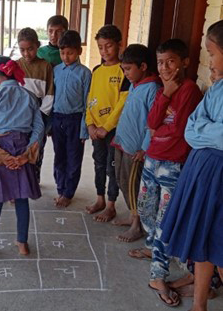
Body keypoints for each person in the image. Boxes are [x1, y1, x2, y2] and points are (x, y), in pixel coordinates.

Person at [132, 38, 203, 307]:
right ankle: (153, 251)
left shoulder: (190, 90)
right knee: (146, 211)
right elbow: (151, 123)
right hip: (152, 160)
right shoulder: (165, 89)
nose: (164, 68)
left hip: (173, 165)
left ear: (184, 62)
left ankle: (158, 275)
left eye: (170, 62)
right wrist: (165, 95)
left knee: (164, 221)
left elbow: (178, 130)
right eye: (160, 62)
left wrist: (159, 128)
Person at [160, 20, 223, 311]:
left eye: (212, 53)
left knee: (220, 245)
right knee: (202, 241)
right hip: (203, 172)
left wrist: (206, 132)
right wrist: (208, 132)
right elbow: (192, 128)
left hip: (218, 177)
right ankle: (199, 305)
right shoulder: (216, 88)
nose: (209, 61)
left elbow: (205, 131)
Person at [0, 57, 44, 258]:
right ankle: (22, 243)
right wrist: (26, 154)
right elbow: (39, 127)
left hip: (0, 147)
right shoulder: (29, 95)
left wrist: (0, 154)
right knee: (21, 198)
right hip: (22, 147)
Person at [112, 44, 161, 242]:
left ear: (142, 66)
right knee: (121, 180)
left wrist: (145, 147)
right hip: (123, 143)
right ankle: (133, 215)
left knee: (134, 185)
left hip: (136, 150)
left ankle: (137, 224)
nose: (126, 74)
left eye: (128, 69)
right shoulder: (134, 85)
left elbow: (153, 122)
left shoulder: (153, 88)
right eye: (123, 69)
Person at [85, 25, 129, 222]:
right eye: (100, 47)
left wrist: (107, 127)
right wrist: (90, 125)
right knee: (99, 164)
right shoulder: (96, 70)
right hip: (96, 131)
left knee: (112, 167)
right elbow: (91, 99)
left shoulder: (124, 71)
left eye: (108, 46)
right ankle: (100, 199)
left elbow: (122, 103)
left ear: (120, 45)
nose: (104, 51)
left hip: (113, 131)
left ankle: (111, 205)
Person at [51, 30, 91, 208]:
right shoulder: (56, 70)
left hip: (75, 120)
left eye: (70, 53)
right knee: (59, 156)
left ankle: (68, 192)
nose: (66, 57)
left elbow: (87, 102)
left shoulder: (85, 73)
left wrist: (84, 128)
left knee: (73, 158)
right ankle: (60, 188)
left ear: (79, 52)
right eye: (62, 53)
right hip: (57, 119)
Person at [17, 27, 54, 182]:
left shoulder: (46, 66)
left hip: (39, 115)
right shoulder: (15, 66)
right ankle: (19, 181)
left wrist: (39, 116)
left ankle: (33, 181)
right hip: (19, 116)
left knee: (36, 148)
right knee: (19, 148)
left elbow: (49, 93)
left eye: (30, 49)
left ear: (38, 45)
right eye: (22, 50)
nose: (26, 54)